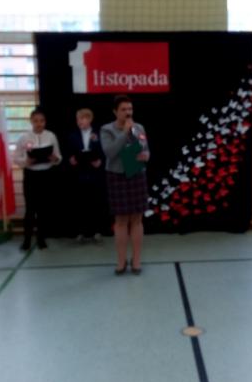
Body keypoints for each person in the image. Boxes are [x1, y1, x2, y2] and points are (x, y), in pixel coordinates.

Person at [101, 95, 150, 275]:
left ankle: (136, 260)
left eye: (130, 109)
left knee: (137, 219)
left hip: (136, 174)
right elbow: (110, 152)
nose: (128, 112)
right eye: (123, 109)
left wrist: (145, 156)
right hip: (117, 176)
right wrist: (124, 133)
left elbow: (146, 149)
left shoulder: (139, 128)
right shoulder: (107, 129)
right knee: (121, 221)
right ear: (115, 112)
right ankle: (121, 261)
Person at [13, 107, 61, 250]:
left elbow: (59, 156)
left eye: (42, 121)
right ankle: (27, 240)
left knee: (43, 209)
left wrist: (55, 159)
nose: (39, 124)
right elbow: (16, 158)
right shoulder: (24, 137)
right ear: (31, 121)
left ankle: (41, 239)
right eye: (36, 121)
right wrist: (26, 161)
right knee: (30, 209)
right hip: (31, 175)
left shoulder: (51, 136)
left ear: (45, 122)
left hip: (46, 175)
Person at [66, 108, 106, 244]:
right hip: (79, 173)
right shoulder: (72, 135)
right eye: (78, 119)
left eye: (83, 118)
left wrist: (100, 161)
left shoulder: (98, 134)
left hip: (94, 173)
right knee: (80, 203)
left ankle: (97, 231)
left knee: (96, 202)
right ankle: (81, 232)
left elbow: (105, 151)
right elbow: (69, 153)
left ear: (90, 119)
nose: (80, 121)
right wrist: (71, 159)